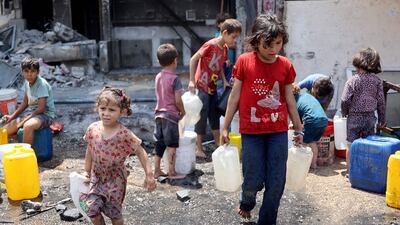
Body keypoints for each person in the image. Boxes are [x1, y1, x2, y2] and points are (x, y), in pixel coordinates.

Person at [221, 14, 303, 224]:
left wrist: (299, 127)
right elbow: (235, 96)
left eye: (278, 43)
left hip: (277, 131)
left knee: (277, 181)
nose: (273, 49)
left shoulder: (285, 65)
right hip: (251, 132)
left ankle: (266, 221)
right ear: (256, 41)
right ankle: (247, 202)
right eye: (268, 45)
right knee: (253, 177)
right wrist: (225, 126)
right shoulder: (244, 61)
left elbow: (289, 98)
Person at [83, 87, 156, 225]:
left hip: (115, 180)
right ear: (97, 108)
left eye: (112, 110)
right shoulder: (92, 129)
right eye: (103, 108)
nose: (106, 113)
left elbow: (140, 152)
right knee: (92, 211)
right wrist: (86, 171)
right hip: (97, 177)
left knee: (114, 215)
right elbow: (90, 149)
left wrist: (149, 175)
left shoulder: (124, 134)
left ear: (122, 112)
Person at [188, 18, 242, 158]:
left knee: (215, 114)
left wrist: (224, 80)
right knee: (201, 116)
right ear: (224, 33)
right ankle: (198, 148)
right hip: (201, 85)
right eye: (233, 37)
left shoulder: (224, 49)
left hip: (212, 86)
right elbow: (193, 59)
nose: (235, 40)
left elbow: (221, 66)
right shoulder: (210, 45)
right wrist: (191, 81)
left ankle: (219, 144)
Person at [341, 47, 386, 173]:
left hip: (354, 117)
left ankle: (350, 172)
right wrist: (382, 119)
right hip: (370, 117)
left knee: (351, 144)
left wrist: (345, 112)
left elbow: (345, 99)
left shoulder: (353, 80)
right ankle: (366, 171)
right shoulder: (377, 81)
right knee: (369, 145)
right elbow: (381, 102)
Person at [3, 57, 55, 144]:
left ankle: (26, 154)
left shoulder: (41, 84)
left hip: (45, 115)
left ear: (38, 72)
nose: (29, 74)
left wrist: (23, 121)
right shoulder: (27, 83)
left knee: (28, 126)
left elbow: (41, 109)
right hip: (31, 113)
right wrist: (12, 116)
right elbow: (25, 103)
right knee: (5, 130)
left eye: (32, 71)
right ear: (22, 72)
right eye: (26, 71)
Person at [153, 43, 185, 179]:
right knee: (172, 145)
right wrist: (182, 111)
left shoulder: (158, 76)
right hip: (170, 116)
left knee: (159, 144)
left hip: (158, 114)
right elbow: (178, 100)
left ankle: (156, 171)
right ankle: (171, 172)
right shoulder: (175, 79)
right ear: (175, 60)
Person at [293, 83, 328, 169]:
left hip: (312, 120)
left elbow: (298, 121)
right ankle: (313, 164)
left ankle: (303, 166)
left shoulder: (294, 102)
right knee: (312, 142)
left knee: (302, 142)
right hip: (323, 120)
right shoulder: (306, 95)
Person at [215, 13, 236, 96]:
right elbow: (225, 46)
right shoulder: (217, 36)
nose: (225, 25)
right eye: (223, 22)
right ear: (219, 24)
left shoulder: (230, 35)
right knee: (222, 82)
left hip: (230, 62)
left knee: (229, 81)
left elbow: (232, 45)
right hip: (223, 62)